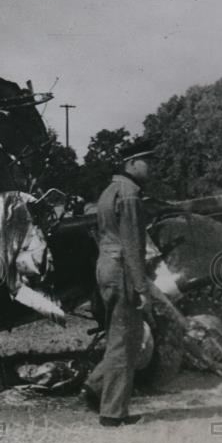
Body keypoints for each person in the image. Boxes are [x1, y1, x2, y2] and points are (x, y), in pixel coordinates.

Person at [81, 137, 157, 427]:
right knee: (125, 341)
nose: (151, 168)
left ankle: (97, 385)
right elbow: (134, 246)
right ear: (131, 163)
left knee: (122, 336)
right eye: (146, 162)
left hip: (106, 266)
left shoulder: (109, 191)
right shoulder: (130, 195)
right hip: (123, 268)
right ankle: (112, 412)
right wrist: (142, 288)